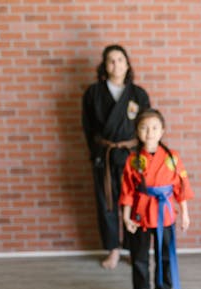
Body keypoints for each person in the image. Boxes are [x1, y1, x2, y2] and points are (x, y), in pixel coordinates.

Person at [82, 44, 151, 269]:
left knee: (134, 202)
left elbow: (147, 126)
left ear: (127, 63)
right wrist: (96, 154)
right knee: (107, 204)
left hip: (131, 156)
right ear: (104, 65)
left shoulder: (138, 94)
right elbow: (88, 128)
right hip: (105, 155)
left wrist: (145, 156)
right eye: (111, 60)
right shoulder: (93, 93)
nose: (116, 64)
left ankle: (132, 248)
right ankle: (113, 249)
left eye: (120, 59)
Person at [119, 108, 194, 289]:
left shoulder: (172, 156)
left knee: (165, 256)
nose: (149, 132)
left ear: (162, 131)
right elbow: (127, 189)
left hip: (165, 213)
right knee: (139, 255)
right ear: (137, 131)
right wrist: (126, 216)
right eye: (144, 127)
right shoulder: (133, 159)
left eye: (154, 127)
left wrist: (184, 213)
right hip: (141, 213)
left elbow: (182, 187)